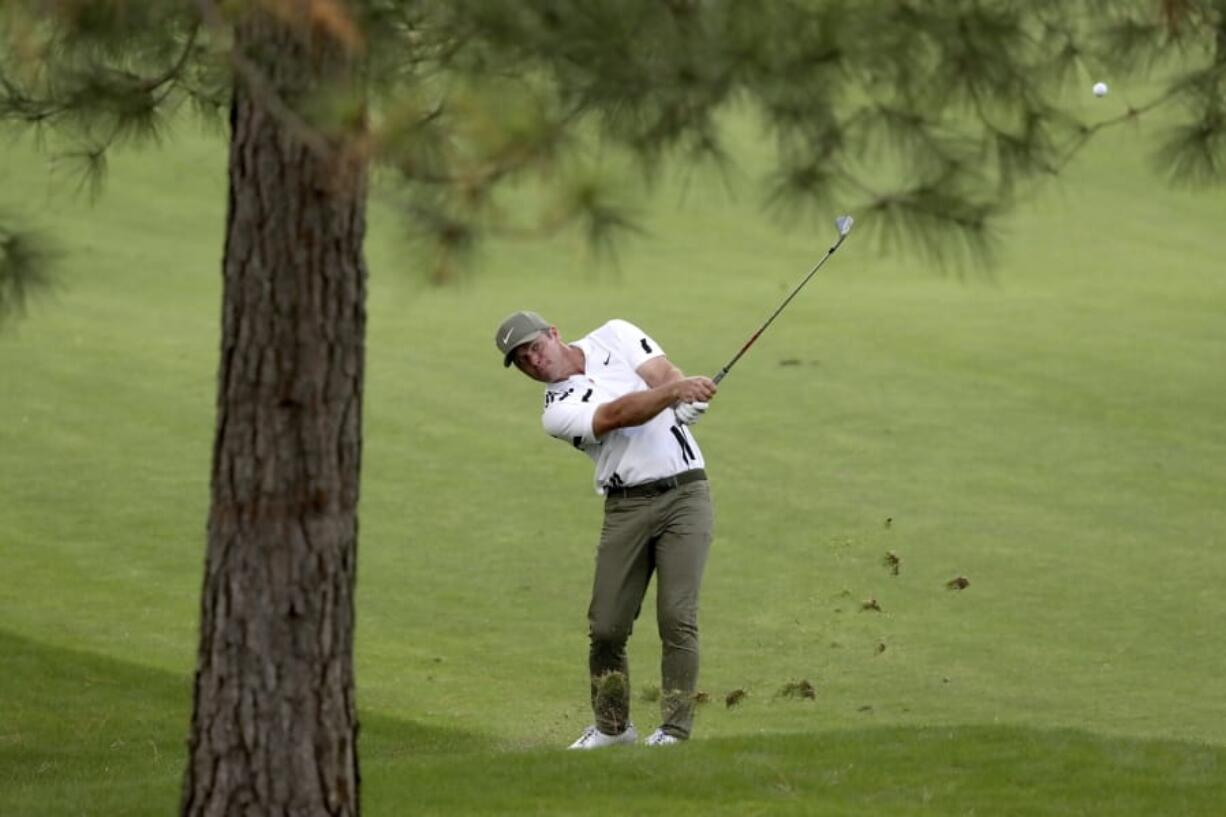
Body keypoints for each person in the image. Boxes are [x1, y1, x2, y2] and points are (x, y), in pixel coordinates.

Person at [495, 310, 718, 749]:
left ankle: (674, 730)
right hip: (626, 507)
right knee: (607, 628)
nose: (534, 363)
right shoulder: (556, 412)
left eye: (535, 348)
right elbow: (617, 415)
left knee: (677, 617)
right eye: (521, 361)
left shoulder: (615, 334)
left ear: (554, 334)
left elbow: (661, 372)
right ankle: (613, 728)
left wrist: (683, 394)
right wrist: (677, 391)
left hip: (686, 495)